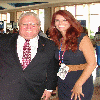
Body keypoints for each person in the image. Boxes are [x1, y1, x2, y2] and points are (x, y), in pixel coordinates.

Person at [0, 12, 58, 100]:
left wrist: (49, 88)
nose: (29, 27)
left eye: (33, 24)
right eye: (25, 24)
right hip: (5, 90)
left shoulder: (49, 45)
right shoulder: (4, 40)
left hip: (34, 91)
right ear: (19, 25)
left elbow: (52, 68)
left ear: (39, 27)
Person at [49, 10, 97, 100]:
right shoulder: (59, 40)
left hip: (80, 82)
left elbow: (92, 64)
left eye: (64, 20)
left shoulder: (82, 38)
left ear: (71, 22)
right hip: (63, 81)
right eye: (57, 20)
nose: (60, 23)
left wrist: (78, 84)